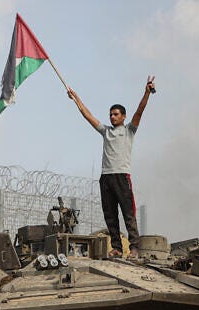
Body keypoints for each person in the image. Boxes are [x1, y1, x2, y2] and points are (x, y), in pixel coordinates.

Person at [67, 76, 156, 260]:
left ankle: (134, 247)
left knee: (128, 214)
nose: (112, 117)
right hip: (106, 177)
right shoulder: (105, 131)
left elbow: (140, 111)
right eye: (111, 114)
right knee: (110, 215)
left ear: (123, 116)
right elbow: (88, 115)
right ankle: (116, 247)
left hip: (122, 176)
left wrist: (146, 93)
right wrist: (76, 99)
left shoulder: (129, 130)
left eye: (116, 114)